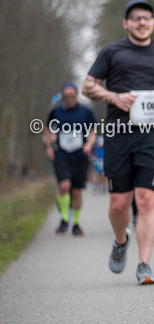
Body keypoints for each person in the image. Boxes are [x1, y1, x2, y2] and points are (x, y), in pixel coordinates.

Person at [83, 0, 154, 285]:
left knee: (146, 200)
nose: (142, 22)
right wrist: (114, 97)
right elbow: (88, 85)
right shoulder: (112, 51)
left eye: (147, 18)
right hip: (118, 135)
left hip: (152, 137)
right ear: (126, 23)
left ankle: (144, 264)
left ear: (153, 22)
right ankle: (120, 240)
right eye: (136, 18)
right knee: (119, 203)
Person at [44, 82, 97, 235]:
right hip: (62, 155)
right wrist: (49, 145)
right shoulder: (55, 112)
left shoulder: (86, 112)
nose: (69, 99)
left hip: (80, 155)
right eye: (66, 97)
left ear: (76, 95)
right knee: (64, 186)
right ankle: (64, 220)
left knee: (76, 192)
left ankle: (75, 223)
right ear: (62, 97)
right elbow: (47, 129)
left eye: (72, 96)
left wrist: (89, 144)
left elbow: (93, 131)